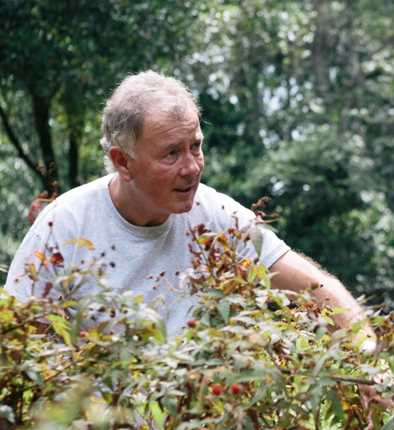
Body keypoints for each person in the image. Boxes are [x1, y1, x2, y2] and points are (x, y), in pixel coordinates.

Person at [3, 71, 370, 340]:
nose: (192, 167)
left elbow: (314, 287)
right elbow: (16, 345)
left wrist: (367, 352)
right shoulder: (64, 226)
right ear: (122, 161)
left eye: (196, 146)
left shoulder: (215, 215)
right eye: (171, 153)